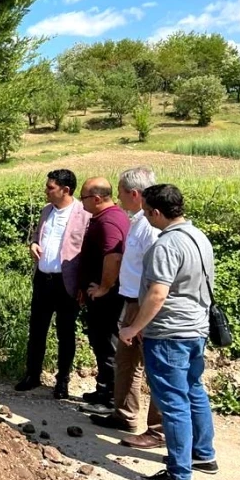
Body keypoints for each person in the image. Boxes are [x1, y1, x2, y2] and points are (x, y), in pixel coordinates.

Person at [119, 184, 217, 480]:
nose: (144, 216)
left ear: (156, 212)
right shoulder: (198, 236)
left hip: (169, 332)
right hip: (195, 328)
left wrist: (133, 328)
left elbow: (158, 294)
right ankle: (203, 454)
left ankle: (179, 476)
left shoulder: (165, 246)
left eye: (146, 211)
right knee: (193, 391)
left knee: (173, 401)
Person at [89, 168, 164, 448]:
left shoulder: (153, 227)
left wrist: (143, 312)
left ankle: (157, 430)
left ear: (134, 194)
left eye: (120, 192)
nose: (117, 198)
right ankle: (124, 415)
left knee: (154, 366)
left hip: (145, 305)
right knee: (126, 361)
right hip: (130, 302)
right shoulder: (138, 221)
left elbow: (156, 273)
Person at [15, 169, 90, 398]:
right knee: (37, 329)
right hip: (43, 279)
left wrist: (83, 286)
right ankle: (32, 374)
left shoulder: (84, 214)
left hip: (66, 283)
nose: (46, 191)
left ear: (65, 190)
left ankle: (62, 381)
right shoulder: (46, 211)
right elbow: (38, 237)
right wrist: (34, 245)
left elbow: (88, 253)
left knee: (65, 333)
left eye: (50, 187)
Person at [77, 177, 130, 410]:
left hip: (109, 298)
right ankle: (103, 389)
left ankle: (111, 399)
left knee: (108, 344)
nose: (82, 203)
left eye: (84, 198)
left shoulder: (109, 221)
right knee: (100, 343)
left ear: (97, 198)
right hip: (99, 295)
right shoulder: (103, 218)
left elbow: (114, 257)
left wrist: (104, 287)